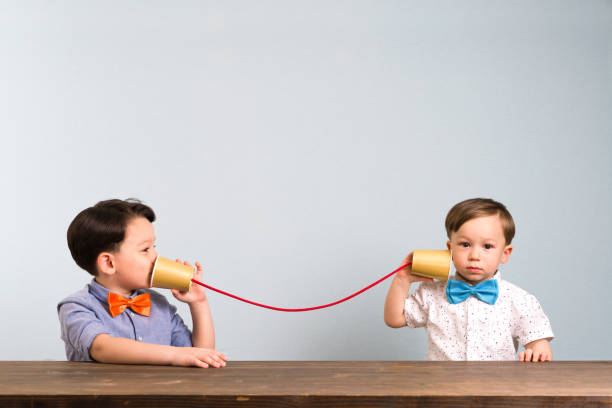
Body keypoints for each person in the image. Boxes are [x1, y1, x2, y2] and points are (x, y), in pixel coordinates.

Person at [58, 199, 227, 368]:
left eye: (154, 247)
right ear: (109, 263)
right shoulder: (76, 307)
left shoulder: (158, 304)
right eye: (145, 249)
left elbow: (201, 356)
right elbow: (102, 347)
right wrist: (174, 354)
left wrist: (199, 302)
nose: (156, 257)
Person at [384, 198, 554, 361]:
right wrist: (402, 280)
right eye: (465, 245)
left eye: (487, 246)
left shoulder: (519, 300)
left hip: (497, 387)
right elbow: (394, 319)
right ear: (450, 249)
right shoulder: (431, 293)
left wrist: (537, 351)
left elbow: (539, 342)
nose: (474, 256)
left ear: (505, 253)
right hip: (440, 386)